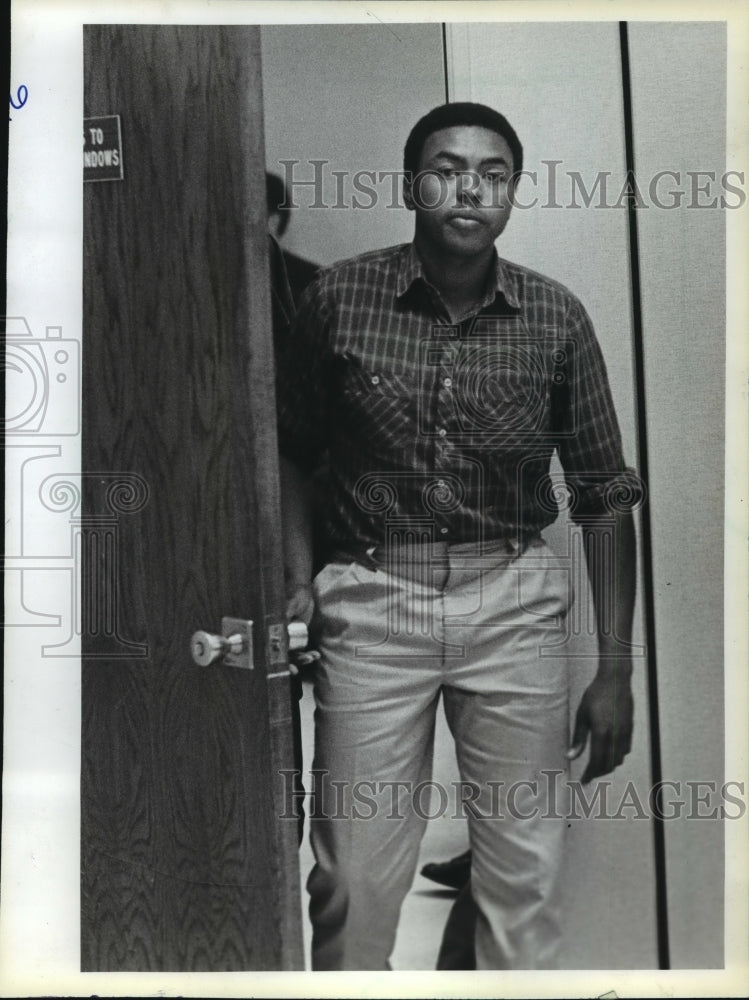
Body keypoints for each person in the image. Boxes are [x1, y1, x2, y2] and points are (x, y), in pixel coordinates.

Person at [276, 102, 638, 971]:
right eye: (446, 168)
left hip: (510, 600)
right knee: (353, 881)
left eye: (493, 173)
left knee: (523, 882)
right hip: (370, 599)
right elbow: (289, 453)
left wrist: (614, 670)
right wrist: (294, 582)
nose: (468, 188)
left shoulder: (555, 318)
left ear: (512, 191)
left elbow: (605, 496)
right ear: (412, 183)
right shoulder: (339, 299)